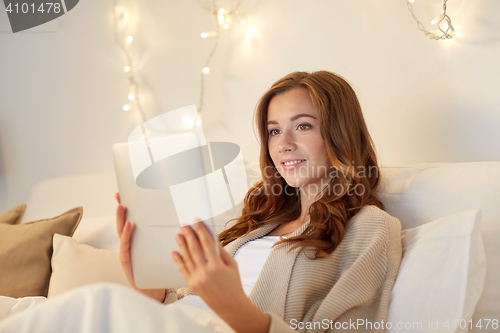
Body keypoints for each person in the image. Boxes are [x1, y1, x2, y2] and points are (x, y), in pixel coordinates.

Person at [115, 70, 403, 333]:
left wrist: (233, 306)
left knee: (90, 303)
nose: (283, 144)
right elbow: (187, 307)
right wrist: (151, 292)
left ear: (340, 134)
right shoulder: (261, 220)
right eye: (274, 131)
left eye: (303, 126)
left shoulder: (370, 226)